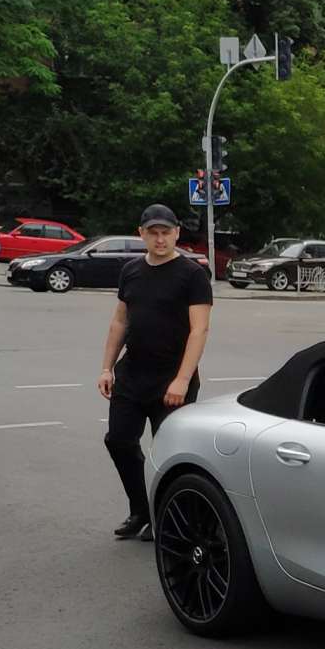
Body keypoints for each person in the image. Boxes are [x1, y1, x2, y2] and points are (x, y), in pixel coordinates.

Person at [99, 205, 212, 541]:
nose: (160, 238)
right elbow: (120, 320)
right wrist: (106, 367)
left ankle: (170, 519)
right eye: (153, 232)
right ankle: (141, 510)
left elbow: (199, 330)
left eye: (166, 232)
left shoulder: (192, 274)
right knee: (119, 441)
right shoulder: (131, 271)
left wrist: (182, 378)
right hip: (132, 375)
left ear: (177, 233)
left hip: (172, 378)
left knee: (170, 455)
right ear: (142, 234)